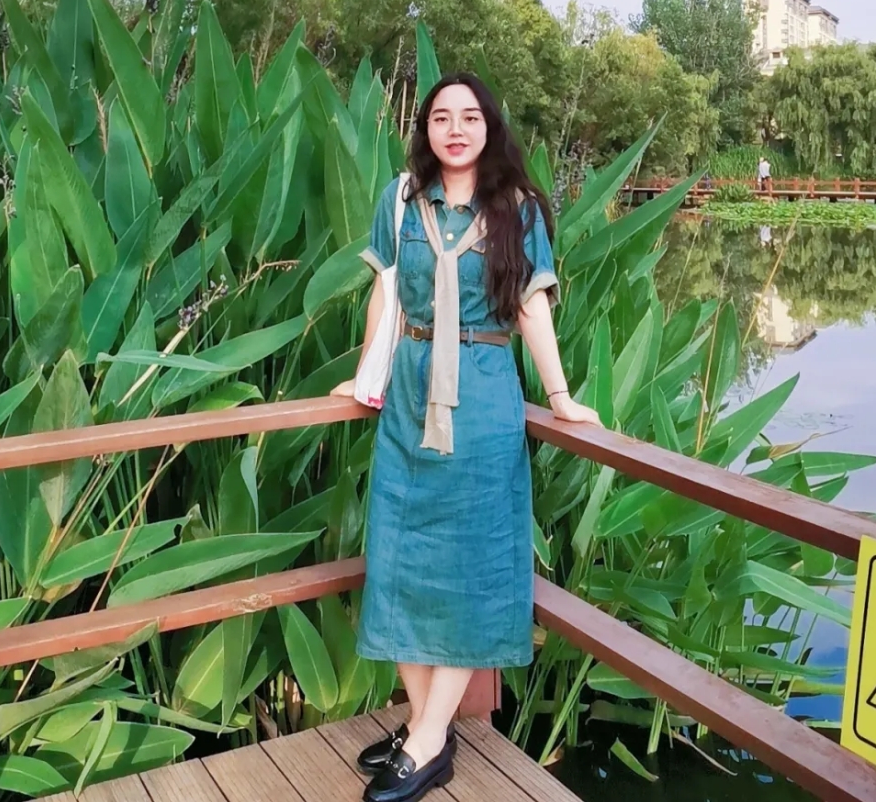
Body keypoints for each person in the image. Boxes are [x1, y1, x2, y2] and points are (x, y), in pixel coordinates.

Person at [330, 73, 602, 802]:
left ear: (490, 127)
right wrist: (363, 372)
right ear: (425, 129)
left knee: (470, 568)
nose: (455, 129)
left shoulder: (518, 208)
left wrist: (559, 396)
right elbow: (387, 292)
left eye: (470, 117)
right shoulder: (400, 199)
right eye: (441, 118)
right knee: (398, 560)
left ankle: (424, 742)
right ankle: (429, 726)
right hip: (408, 395)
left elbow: (531, 307)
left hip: (482, 395)